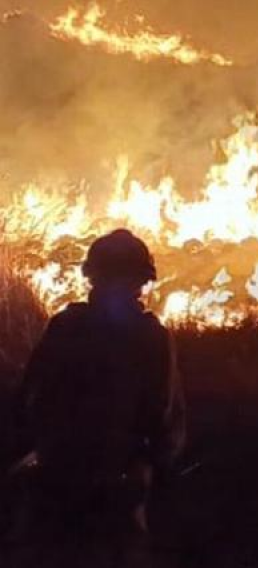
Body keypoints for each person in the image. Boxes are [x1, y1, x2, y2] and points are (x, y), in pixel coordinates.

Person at [10, 229, 185, 545]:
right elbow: (163, 414)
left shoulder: (64, 326)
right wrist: (156, 467)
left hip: (58, 466)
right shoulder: (151, 336)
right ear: (142, 282)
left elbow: (29, 395)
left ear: (91, 276)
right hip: (117, 472)